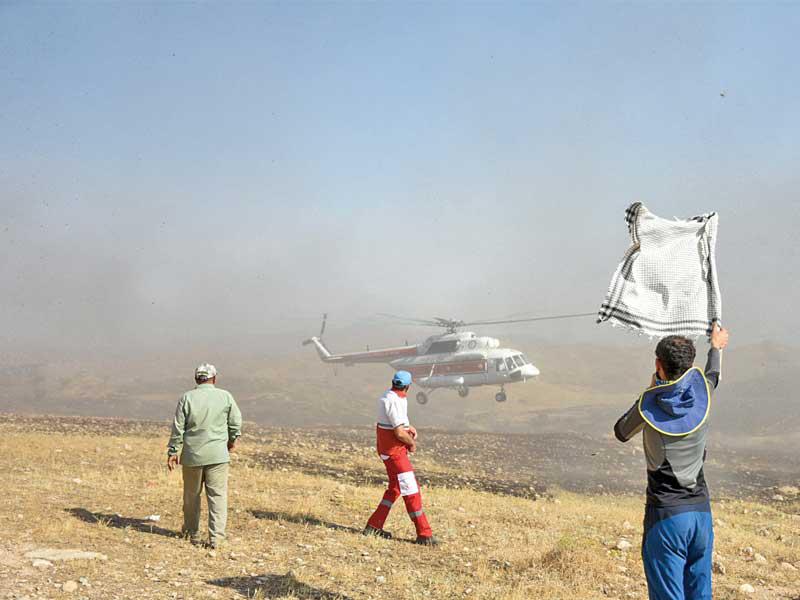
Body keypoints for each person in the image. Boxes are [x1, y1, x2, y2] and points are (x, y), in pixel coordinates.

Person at [614, 323, 730, 600]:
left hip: (666, 518)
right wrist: (716, 346)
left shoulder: (648, 406)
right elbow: (713, 374)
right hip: (701, 516)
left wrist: (652, 388)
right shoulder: (704, 392)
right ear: (690, 365)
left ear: (658, 364)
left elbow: (621, 432)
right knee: (699, 593)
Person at [167, 363, 242, 549]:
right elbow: (235, 422)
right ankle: (216, 538)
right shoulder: (225, 396)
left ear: (196, 379)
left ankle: (192, 533)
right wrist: (232, 441)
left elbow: (178, 428)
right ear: (214, 379)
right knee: (217, 496)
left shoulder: (187, 398)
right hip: (218, 455)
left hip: (192, 456)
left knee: (191, 496)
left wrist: (173, 451)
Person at [364, 371, 438, 545]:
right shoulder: (394, 401)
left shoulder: (390, 397)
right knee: (411, 490)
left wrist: (408, 427)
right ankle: (424, 534)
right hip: (394, 453)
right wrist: (411, 442)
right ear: (408, 386)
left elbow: (396, 424)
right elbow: (397, 432)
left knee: (395, 488)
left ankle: (374, 526)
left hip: (389, 451)